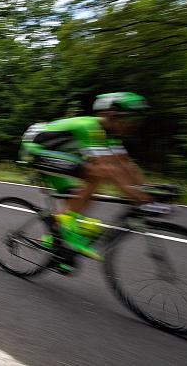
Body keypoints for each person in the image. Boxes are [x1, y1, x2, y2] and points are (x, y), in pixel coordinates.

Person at [20, 92, 165, 262]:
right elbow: (107, 169)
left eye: (135, 120)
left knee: (79, 196)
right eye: (128, 119)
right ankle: (65, 226)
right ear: (109, 116)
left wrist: (148, 190)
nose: (132, 125)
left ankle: (56, 240)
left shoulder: (110, 135)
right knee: (96, 173)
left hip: (57, 154)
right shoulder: (90, 127)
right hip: (35, 150)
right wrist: (140, 197)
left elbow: (126, 165)